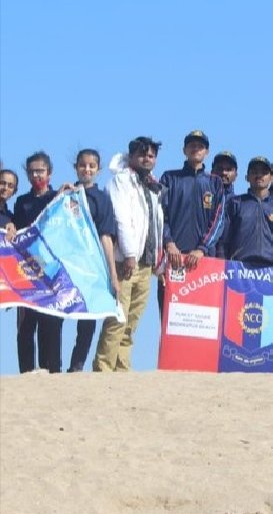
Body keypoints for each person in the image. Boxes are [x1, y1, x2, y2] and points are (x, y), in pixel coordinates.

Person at [94, 137, 166, 372]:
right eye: (143, 154)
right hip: (125, 260)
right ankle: (103, 368)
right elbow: (122, 218)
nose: (147, 158)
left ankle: (122, 368)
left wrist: (158, 261)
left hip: (146, 264)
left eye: (152, 155)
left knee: (132, 321)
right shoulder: (121, 180)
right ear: (132, 156)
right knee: (117, 318)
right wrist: (130, 254)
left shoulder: (152, 185)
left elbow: (156, 225)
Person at [157, 129, 226, 311]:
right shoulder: (169, 178)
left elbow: (219, 221)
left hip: (203, 261)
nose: (196, 149)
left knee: (202, 318)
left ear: (206, 152)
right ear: (184, 150)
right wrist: (169, 243)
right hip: (173, 259)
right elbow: (159, 213)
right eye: (192, 145)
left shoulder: (215, 183)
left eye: (200, 146)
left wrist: (202, 249)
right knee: (169, 318)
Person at [64, 149, 119, 372]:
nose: (87, 169)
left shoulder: (102, 199)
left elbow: (106, 236)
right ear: (76, 167)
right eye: (83, 165)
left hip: (93, 267)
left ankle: (76, 366)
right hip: (67, 264)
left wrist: (113, 274)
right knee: (55, 315)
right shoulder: (66, 195)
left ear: (98, 169)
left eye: (92, 166)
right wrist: (61, 195)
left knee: (87, 320)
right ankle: (51, 366)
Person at [13, 152, 62, 373]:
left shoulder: (58, 198)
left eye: (40, 171)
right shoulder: (21, 202)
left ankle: (51, 368)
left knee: (50, 324)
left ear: (49, 173)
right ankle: (26, 371)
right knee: (25, 325)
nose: (36, 175)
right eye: (32, 171)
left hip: (51, 270)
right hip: (26, 271)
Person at [218, 156, 273, 268]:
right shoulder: (235, 203)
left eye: (264, 172)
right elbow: (223, 240)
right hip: (239, 271)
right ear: (247, 177)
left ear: (271, 177)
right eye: (254, 172)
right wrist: (224, 265)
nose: (259, 175)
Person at [0, 168, 18, 233]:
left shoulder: (11, 218)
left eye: (10, 186)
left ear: (14, 191)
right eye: (2, 183)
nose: (5, 188)